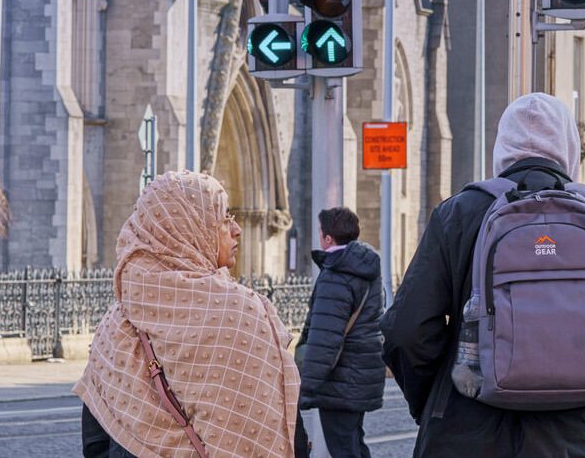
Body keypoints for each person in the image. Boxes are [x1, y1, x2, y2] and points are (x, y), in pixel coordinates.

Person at [380, 92, 585, 457]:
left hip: (468, 436)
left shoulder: (458, 215)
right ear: (568, 147)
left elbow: (405, 333)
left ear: (502, 148)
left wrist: (439, 402)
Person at [76, 170, 300, 457]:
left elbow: (95, 441)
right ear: (190, 228)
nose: (236, 229)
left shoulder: (116, 323)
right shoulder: (241, 313)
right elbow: (284, 425)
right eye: (223, 219)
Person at [294, 206, 384, 458]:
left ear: (328, 238)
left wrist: (307, 388)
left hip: (340, 381)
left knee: (344, 449)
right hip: (359, 374)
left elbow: (325, 340)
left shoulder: (336, 275)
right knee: (354, 444)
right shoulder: (364, 265)